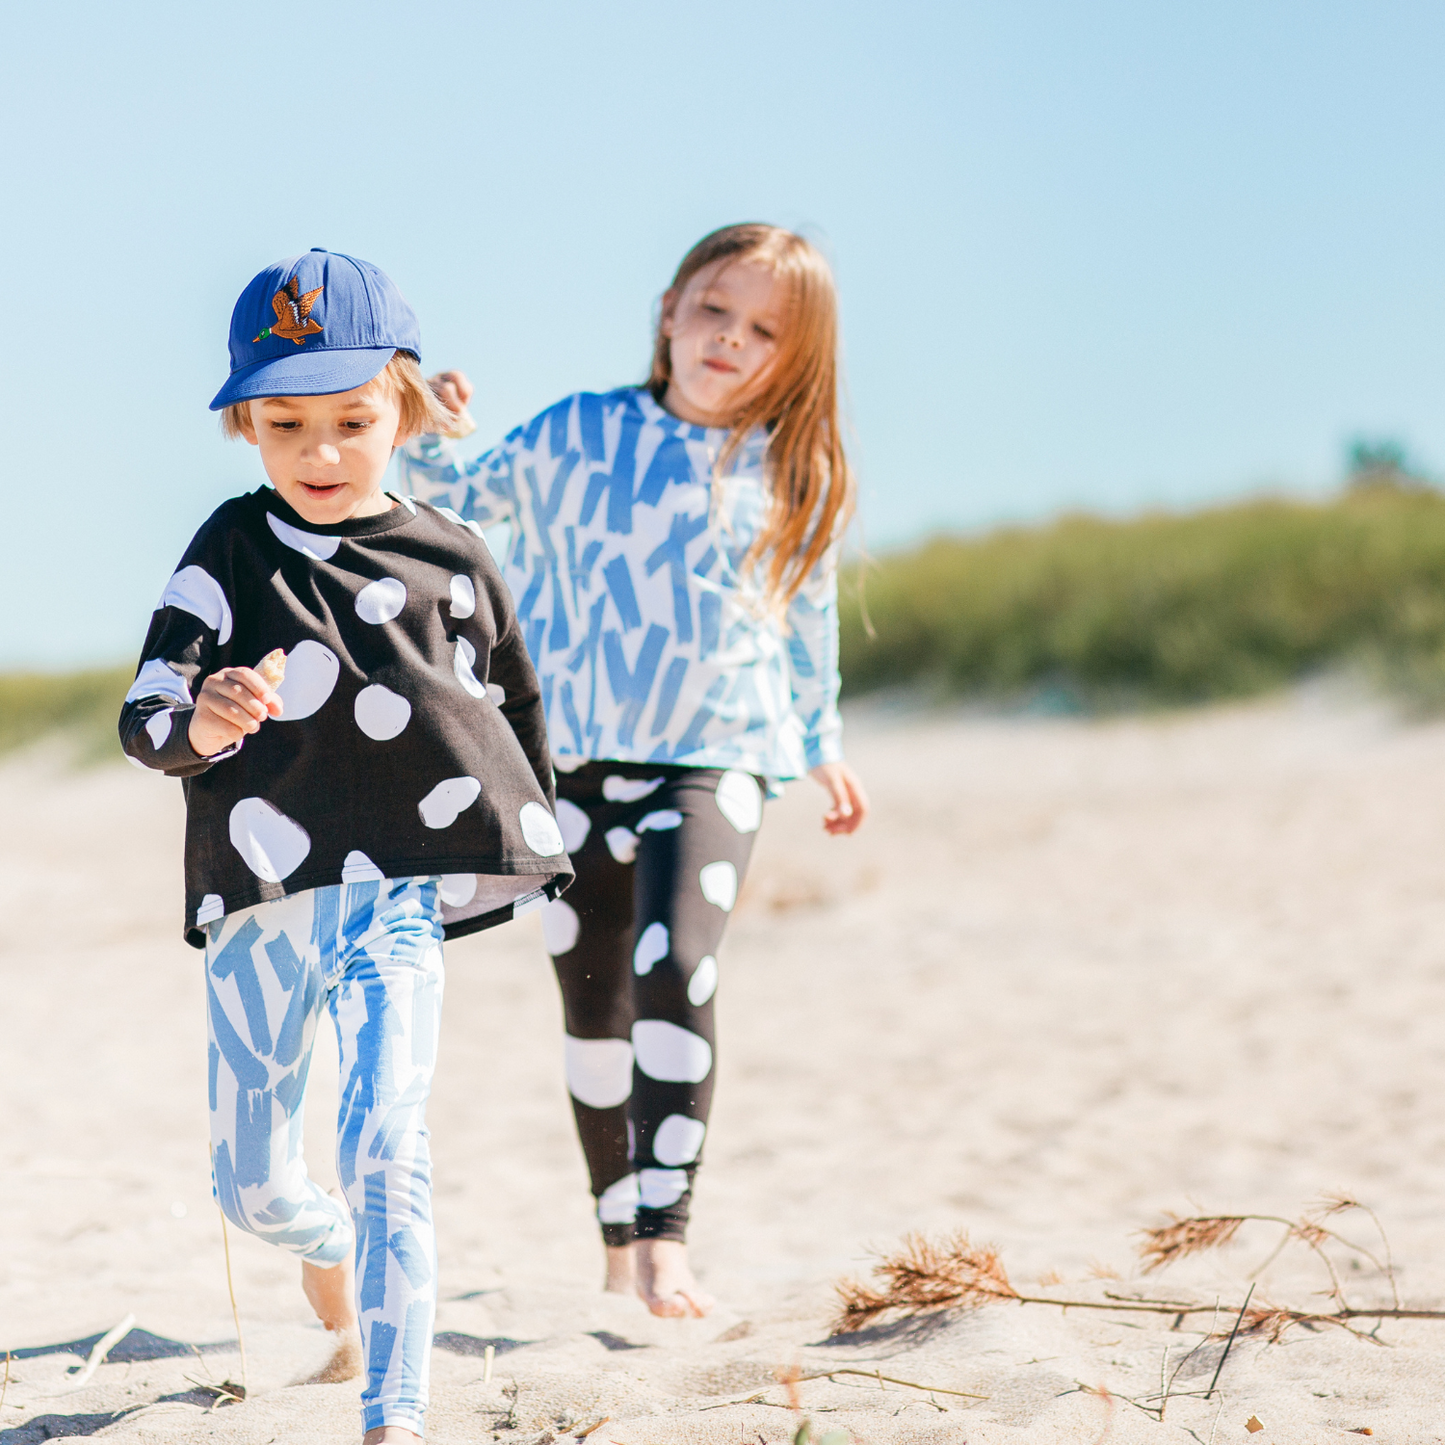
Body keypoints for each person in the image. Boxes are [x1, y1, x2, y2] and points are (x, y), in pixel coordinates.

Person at [118, 248, 572, 1444]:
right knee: (254, 1186)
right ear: (245, 425)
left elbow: (514, 712)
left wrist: (526, 846)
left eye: (351, 420)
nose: (320, 453)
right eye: (286, 425)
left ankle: (395, 1412)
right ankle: (321, 1255)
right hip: (257, 897)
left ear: (405, 406)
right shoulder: (226, 549)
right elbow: (144, 714)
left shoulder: (453, 553)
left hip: (393, 901)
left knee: (387, 1138)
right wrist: (202, 719)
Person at [398, 223, 869, 1318]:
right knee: (592, 997)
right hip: (567, 756)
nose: (729, 339)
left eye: (763, 330)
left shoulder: (793, 468)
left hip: (718, 753)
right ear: (668, 309)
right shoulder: (578, 430)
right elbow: (464, 497)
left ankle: (665, 1236)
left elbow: (808, 622)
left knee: (676, 962)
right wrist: (434, 424)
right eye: (713, 309)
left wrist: (823, 741)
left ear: (792, 358)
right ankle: (614, 1230)